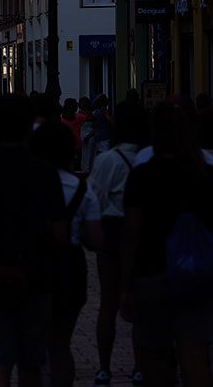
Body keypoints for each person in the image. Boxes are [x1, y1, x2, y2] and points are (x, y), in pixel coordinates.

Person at [0, 95, 67, 387]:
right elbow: (59, 232)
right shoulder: (45, 172)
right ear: (28, 127)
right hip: (36, 276)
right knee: (31, 364)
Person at [121, 100, 213, 387]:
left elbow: (132, 235)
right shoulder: (204, 175)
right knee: (196, 355)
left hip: (152, 273)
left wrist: (126, 285)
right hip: (196, 274)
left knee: (155, 359)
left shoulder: (143, 175)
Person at [31, 120, 103, 387]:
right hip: (69, 271)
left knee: (31, 349)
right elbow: (96, 239)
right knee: (60, 346)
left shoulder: (27, 185)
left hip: (32, 268)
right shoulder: (80, 188)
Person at [89, 101, 148, 387]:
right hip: (145, 238)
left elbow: (95, 199)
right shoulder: (149, 159)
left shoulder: (107, 160)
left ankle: (103, 368)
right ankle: (139, 366)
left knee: (108, 305)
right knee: (142, 307)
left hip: (112, 235)